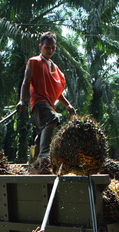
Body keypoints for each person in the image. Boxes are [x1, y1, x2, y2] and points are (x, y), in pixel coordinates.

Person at [16, 31, 75, 160]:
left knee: (43, 130)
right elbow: (26, 81)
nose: (50, 50)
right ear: (40, 47)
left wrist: (68, 105)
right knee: (53, 119)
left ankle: (34, 160)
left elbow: (58, 92)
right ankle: (44, 155)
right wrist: (21, 100)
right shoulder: (34, 62)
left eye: (53, 48)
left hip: (49, 104)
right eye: (47, 47)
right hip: (39, 101)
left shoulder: (56, 69)